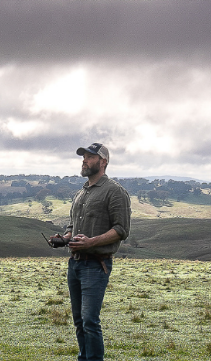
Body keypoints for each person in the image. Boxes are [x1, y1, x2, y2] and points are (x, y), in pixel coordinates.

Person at [49, 142, 131, 361]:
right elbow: (72, 225)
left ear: (103, 162)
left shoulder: (115, 192)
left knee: (90, 321)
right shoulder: (81, 193)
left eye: (90, 157)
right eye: (83, 157)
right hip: (75, 264)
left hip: (96, 264)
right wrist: (64, 238)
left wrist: (91, 242)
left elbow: (121, 230)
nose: (84, 160)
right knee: (78, 320)